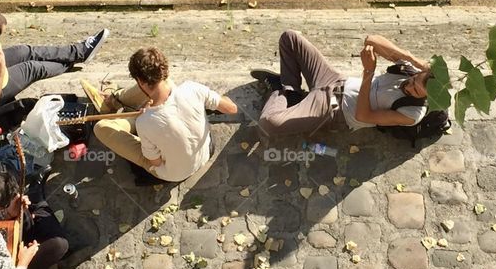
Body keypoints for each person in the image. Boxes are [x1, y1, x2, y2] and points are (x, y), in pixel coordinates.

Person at [92, 47, 237, 183]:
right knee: (158, 87)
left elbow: (156, 162)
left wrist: (145, 119)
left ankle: (116, 104)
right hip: (206, 153)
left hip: (173, 174)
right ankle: (115, 100)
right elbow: (231, 109)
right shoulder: (193, 89)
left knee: (100, 127)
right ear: (165, 69)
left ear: (139, 81)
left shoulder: (144, 123)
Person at [252, 30, 431, 137]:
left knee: (268, 123)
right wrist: (410, 58)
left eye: (415, 90)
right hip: (334, 79)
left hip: (333, 109)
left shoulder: (412, 112)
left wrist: (368, 72)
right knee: (289, 38)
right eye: (413, 80)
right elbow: (371, 40)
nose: (409, 86)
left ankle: (279, 90)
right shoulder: (410, 70)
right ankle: (292, 92)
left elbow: (363, 116)